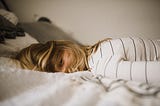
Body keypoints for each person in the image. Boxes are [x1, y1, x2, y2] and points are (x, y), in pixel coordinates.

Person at [16, 37, 160, 83]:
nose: (65, 71)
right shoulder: (99, 56)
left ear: (65, 46)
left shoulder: (101, 63)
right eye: (57, 74)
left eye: (60, 62)